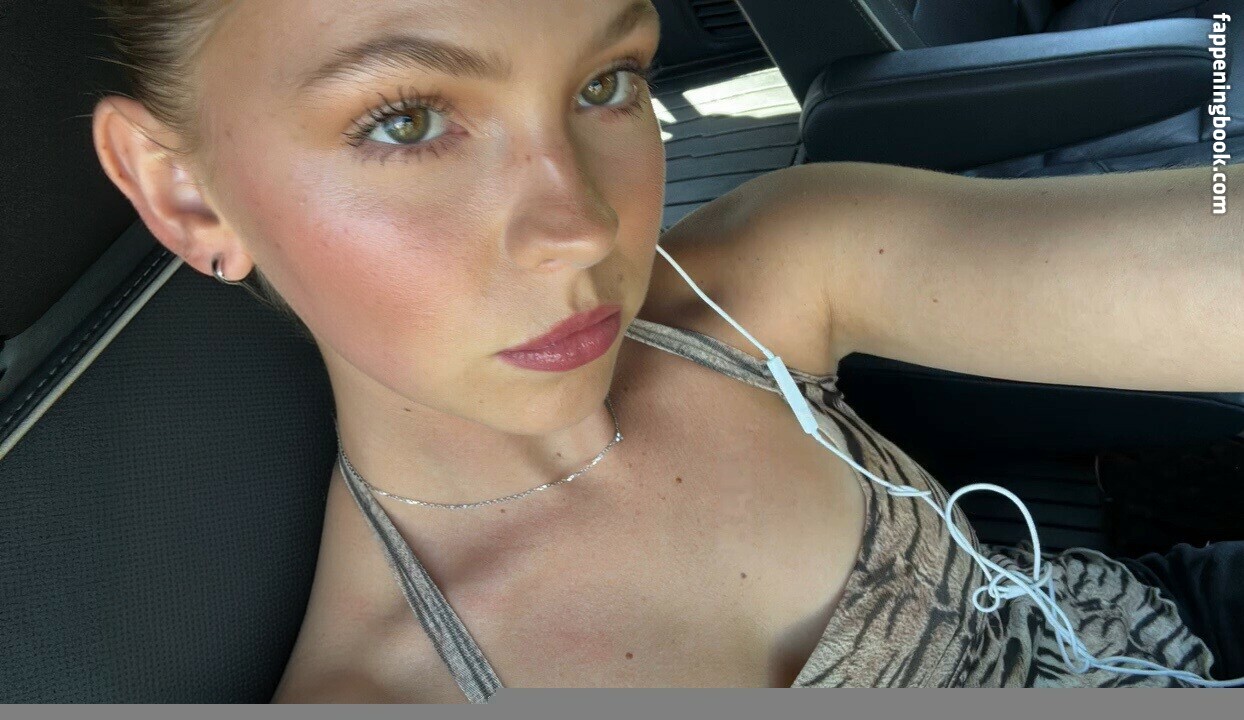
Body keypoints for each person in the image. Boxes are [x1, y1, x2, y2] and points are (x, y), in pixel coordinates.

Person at [87, 0, 1243, 702]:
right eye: (406, 121)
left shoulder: (761, 282)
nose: (584, 227)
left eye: (605, 82)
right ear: (184, 193)